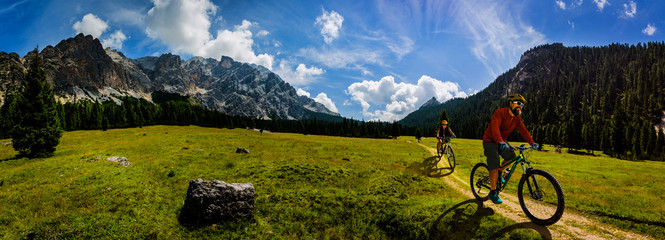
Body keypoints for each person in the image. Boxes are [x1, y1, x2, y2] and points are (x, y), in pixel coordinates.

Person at [482, 93, 539, 204]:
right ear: (510, 104)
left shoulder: (517, 118)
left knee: (512, 156)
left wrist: (532, 142)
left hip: (502, 141)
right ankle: (493, 192)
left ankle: (499, 172)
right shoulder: (499, 112)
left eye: (522, 104)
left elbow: (523, 131)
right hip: (490, 140)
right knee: (494, 162)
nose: (520, 106)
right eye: (518, 103)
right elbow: (494, 128)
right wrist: (500, 141)